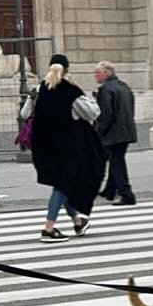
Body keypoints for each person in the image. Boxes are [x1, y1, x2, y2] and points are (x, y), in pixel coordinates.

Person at [30, 55, 103, 239]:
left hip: (44, 145)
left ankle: (77, 223)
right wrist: (87, 96)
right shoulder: (70, 91)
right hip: (68, 146)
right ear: (67, 70)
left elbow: (25, 112)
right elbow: (93, 113)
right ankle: (48, 228)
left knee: (62, 183)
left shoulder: (39, 90)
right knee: (63, 185)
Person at [93, 60, 138, 203]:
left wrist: (98, 133)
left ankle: (127, 194)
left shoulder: (106, 89)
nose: (95, 76)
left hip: (113, 133)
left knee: (117, 163)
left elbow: (105, 114)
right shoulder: (124, 86)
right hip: (126, 130)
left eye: (97, 73)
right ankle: (110, 190)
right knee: (115, 160)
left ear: (106, 73)